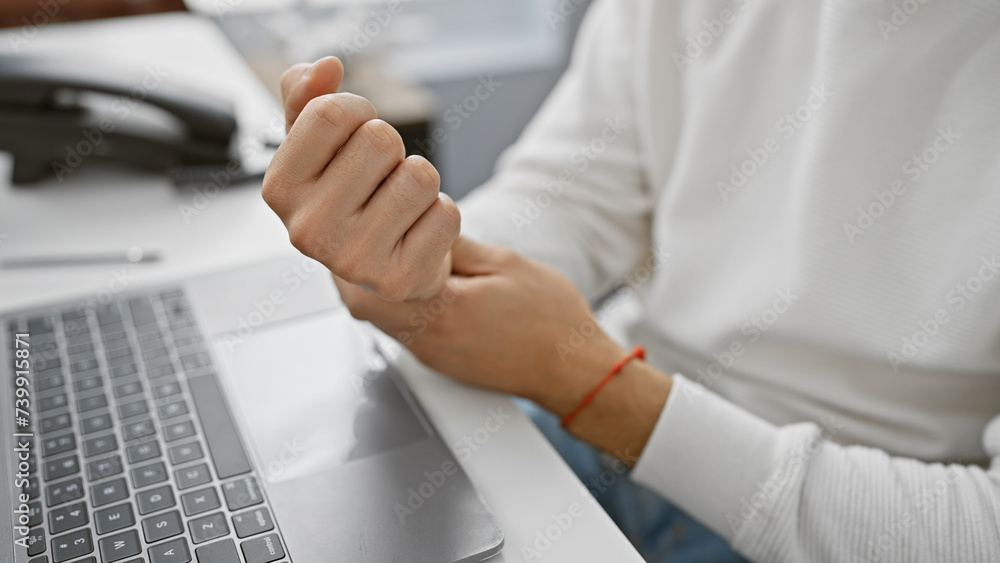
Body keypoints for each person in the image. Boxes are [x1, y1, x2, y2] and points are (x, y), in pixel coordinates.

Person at [260, 1, 1000, 561]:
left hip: (843, 524)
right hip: (610, 428)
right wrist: (414, 256)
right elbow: (573, 197)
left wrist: (592, 384)